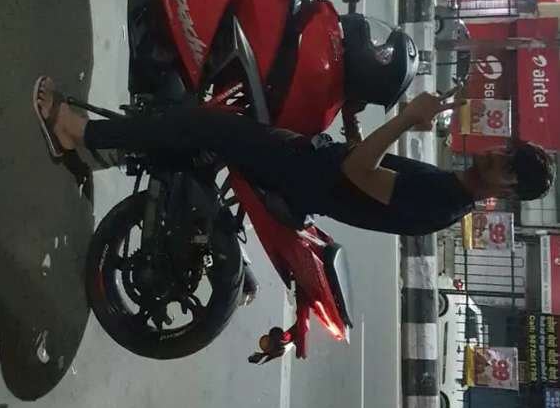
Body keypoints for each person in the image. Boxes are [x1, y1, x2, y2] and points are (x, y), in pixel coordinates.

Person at [33, 77, 554, 237]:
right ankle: (110, 155)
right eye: (505, 149)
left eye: (508, 165)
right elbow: (364, 169)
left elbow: (356, 172)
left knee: (200, 123)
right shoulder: (452, 188)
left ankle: (80, 134)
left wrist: (405, 119)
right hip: (310, 161)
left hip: (302, 175)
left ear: (508, 192)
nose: (496, 155)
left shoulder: (442, 200)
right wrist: (354, 120)